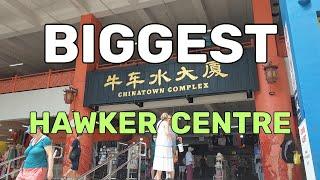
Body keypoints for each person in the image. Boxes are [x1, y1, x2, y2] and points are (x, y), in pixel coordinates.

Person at [153, 113, 175, 180]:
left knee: (159, 165)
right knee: (168, 164)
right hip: (165, 146)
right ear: (166, 118)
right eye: (169, 118)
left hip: (159, 146)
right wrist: (171, 137)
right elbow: (167, 132)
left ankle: (156, 178)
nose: (170, 120)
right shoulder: (165, 123)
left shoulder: (159, 123)